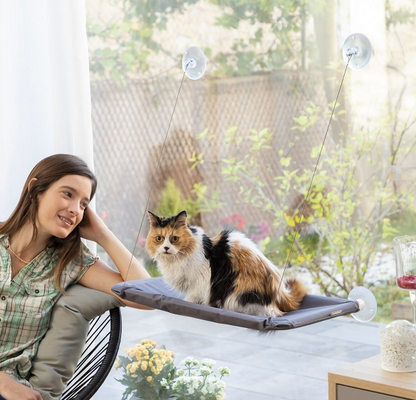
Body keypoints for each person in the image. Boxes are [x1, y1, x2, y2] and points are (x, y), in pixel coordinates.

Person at [0, 154, 151, 400]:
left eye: (83, 204)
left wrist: (103, 234)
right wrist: (3, 383)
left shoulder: (69, 262)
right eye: (67, 194)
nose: (75, 210)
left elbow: (146, 297)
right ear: (34, 190)